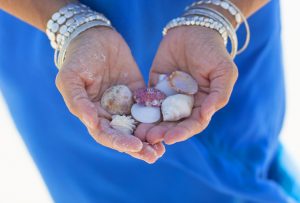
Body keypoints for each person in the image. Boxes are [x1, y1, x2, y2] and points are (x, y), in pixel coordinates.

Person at [0, 0, 299, 202]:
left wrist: (216, 13)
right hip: (42, 19)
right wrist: (69, 23)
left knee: (238, 167)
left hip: (222, 27)